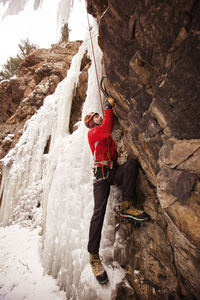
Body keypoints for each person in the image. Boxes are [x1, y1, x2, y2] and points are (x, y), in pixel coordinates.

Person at [84, 96, 149, 285]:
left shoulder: (106, 139)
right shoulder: (93, 133)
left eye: (98, 115)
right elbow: (106, 129)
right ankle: (94, 257)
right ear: (90, 122)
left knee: (130, 165)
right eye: (94, 116)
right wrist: (108, 108)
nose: (98, 117)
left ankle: (127, 206)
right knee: (99, 213)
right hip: (100, 178)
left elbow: (111, 146)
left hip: (111, 173)